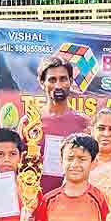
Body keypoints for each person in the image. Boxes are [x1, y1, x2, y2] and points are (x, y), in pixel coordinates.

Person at [38, 56, 91, 193]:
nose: (58, 85)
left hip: (74, 202)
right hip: (37, 201)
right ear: (42, 83)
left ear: (71, 82)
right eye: (52, 80)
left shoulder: (84, 123)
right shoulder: (30, 122)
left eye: (63, 79)